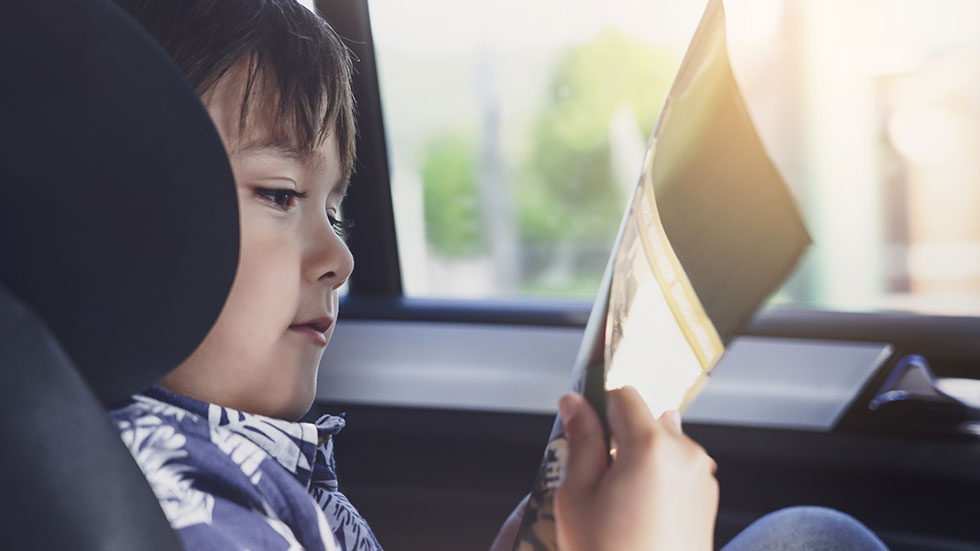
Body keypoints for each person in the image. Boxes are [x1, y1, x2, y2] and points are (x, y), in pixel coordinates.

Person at [108, 1, 892, 550]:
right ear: (115, 212)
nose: (339, 258)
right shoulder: (174, 498)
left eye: (335, 210)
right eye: (281, 194)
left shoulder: (237, 457)